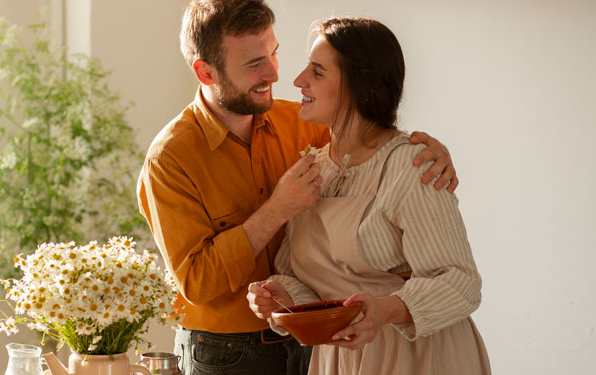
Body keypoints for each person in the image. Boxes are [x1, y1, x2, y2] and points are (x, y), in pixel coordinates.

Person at [137, 1, 458, 374]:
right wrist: (277, 209)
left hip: (317, 338)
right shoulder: (170, 159)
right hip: (227, 353)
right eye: (254, 64)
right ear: (206, 73)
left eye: (273, 54)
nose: (274, 73)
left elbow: (372, 141)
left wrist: (427, 149)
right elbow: (197, 281)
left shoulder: (307, 124)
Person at [246, 17, 491, 374]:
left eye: (317, 71)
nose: (299, 80)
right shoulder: (309, 170)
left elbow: (461, 282)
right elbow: (305, 281)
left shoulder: (412, 164)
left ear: (357, 86)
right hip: (343, 358)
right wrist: (281, 298)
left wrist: (387, 309)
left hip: (419, 356)